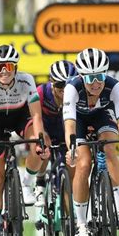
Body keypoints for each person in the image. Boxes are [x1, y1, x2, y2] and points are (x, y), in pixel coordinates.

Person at [0, 44, 49, 236]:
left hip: (21, 116)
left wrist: (39, 140)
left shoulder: (27, 80)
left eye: (8, 66)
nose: (4, 72)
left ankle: (27, 182)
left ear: (15, 67)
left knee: (38, 142)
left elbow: (36, 115)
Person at [63, 48, 119, 236]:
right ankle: (81, 224)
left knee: (110, 148)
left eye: (100, 76)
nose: (96, 83)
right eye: (90, 79)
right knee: (84, 163)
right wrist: (71, 149)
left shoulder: (115, 86)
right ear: (81, 77)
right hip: (78, 121)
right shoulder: (72, 88)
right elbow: (69, 123)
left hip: (103, 116)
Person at [34, 60, 77, 207]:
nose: (64, 89)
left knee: (71, 177)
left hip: (66, 130)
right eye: (60, 85)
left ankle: (70, 221)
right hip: (46, 127)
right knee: (43, 147)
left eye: (68, 85)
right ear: (52, 83)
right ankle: (40, 181)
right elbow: (34, 117)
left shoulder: (79, 94)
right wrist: (42, 134)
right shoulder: (42, 92)